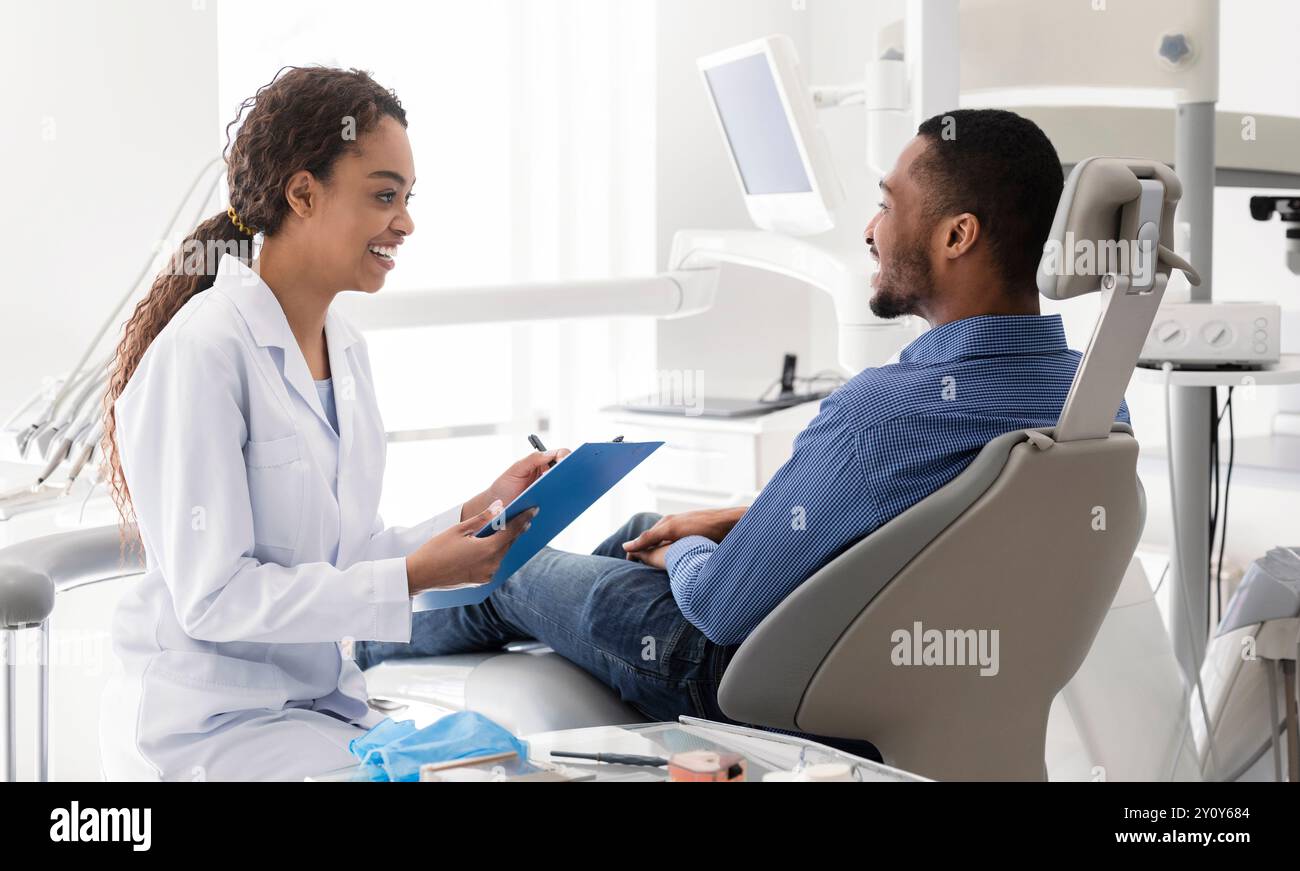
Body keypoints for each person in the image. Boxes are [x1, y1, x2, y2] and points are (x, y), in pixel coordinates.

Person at [353, 109, 1133, 745]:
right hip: (899, 669)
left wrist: (689, 548)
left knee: (518, 564)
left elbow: (722, 607)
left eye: (889, 204)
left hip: (741, 671)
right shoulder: (1093, 406)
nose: (870, 230)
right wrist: (720, 522)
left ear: (956, 235)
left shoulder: (880, 412)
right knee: (642, 525)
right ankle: (562, 626)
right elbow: (930, 525)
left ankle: (348, 646)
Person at [99, 66, 552, 781]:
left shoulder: (346, 349)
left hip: (319, 706)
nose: (404, 222)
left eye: (406, 199)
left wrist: (476, 512)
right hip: (215, 724)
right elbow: (215, 597)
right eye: (382, 195)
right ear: (303, 193)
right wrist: (406, 577)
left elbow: (344, 550)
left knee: (510, 766)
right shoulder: (203, 352)